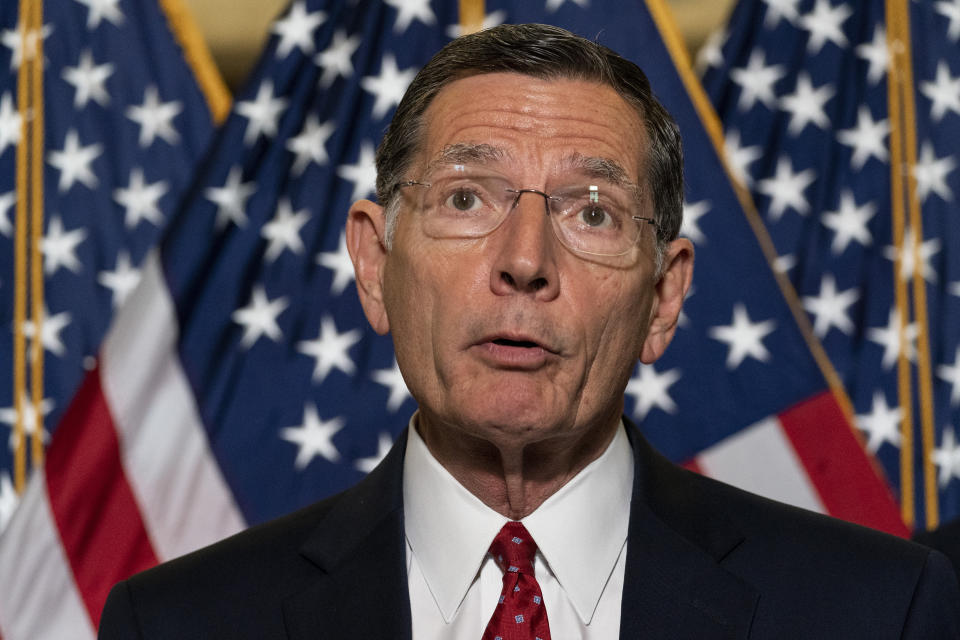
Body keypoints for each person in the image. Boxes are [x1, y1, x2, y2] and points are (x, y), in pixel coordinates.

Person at [98, 23, 960, 639]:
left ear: (664, 297)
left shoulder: (881, 611)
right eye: (467, 197)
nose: (523, 261)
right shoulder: (178, 622)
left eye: (592, 211)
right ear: (374, 263)